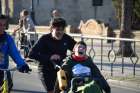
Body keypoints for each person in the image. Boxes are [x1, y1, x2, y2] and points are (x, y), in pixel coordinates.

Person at [28, 18, 76, 93]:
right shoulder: (44, 39)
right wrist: (49, 57)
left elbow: (77, 48)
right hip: (45, 70)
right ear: (52, 29)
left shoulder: (66, 38)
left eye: (62, 30)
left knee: (64, 90)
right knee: (52, 91)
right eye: (57, 30)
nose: (60, 32)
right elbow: (31, 54)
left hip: (61, 69)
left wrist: (75, 56)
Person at [0, 15, 31, 92]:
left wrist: (22, 65)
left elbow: (14, 53)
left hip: (3, 71)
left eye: (4, 25)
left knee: (8, 85)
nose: (2, 27)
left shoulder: (7, 39)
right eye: (0, 25)